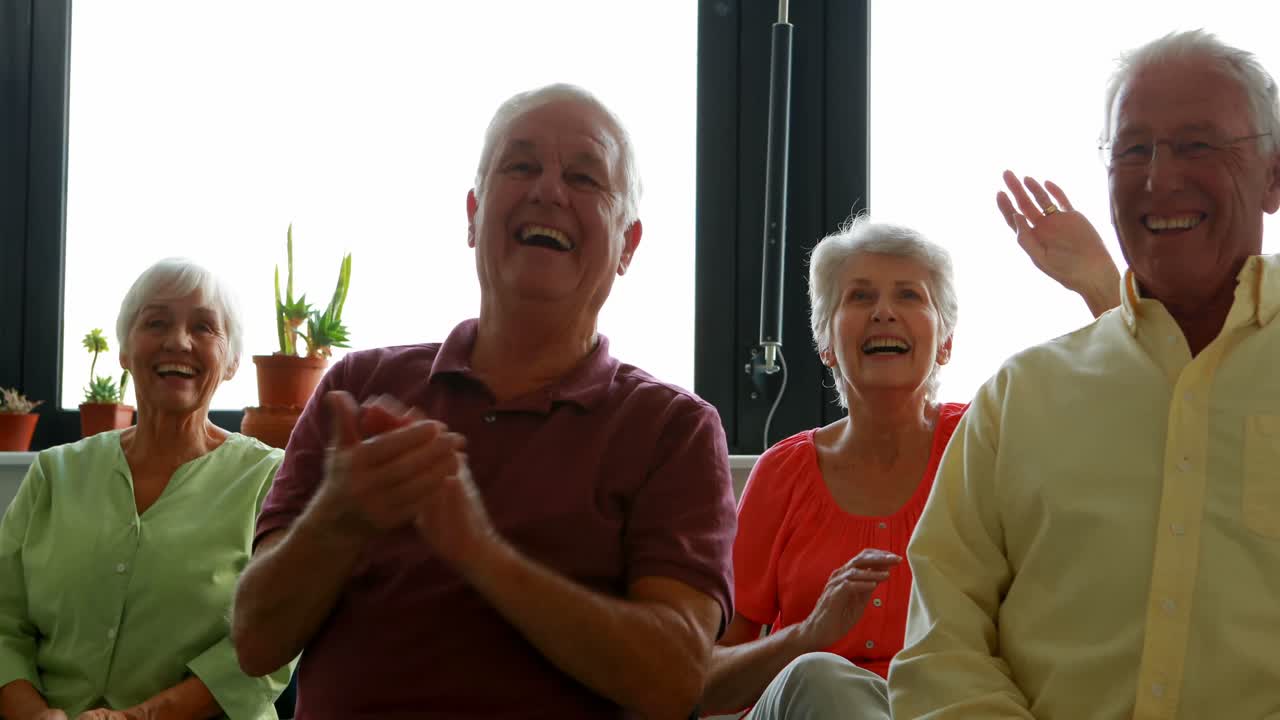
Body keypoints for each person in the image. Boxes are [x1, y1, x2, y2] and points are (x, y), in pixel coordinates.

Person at [231, 84, 737, 720]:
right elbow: (255, 642)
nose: (548, 190)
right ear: (472, 215)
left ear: (628, 245)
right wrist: (338, 518)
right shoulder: (357, 388)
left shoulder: (672, 429)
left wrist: (479, 551)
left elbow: (676, 678)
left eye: (584, 177)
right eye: (520, 166)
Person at [890, 29, 1280, 719]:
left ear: (1273, 177)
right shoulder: (1020, 398)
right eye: (1132, 150)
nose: (1160, 177)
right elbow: (941, 643)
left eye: (1197, 145)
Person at [699, 213, 1119, 720]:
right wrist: (808, 635)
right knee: (819, 677)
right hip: (810, 702)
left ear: (945, 342)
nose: (883, 312)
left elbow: (1117, 424)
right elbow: (704, 685)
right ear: (826, 344)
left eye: (909, 295)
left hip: (950, 709)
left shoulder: (987, 440)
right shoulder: (781, 473)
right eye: (859, 297)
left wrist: (1100, 285)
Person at [0, 259, 295, 720]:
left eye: (203, 327)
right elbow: (3, 621)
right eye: (156, 322)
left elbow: (277, 636)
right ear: (124, 350)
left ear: (233, 361)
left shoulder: (270, 480)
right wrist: (34, 714)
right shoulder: (55, 473)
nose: (178, 341)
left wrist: (141, 717)